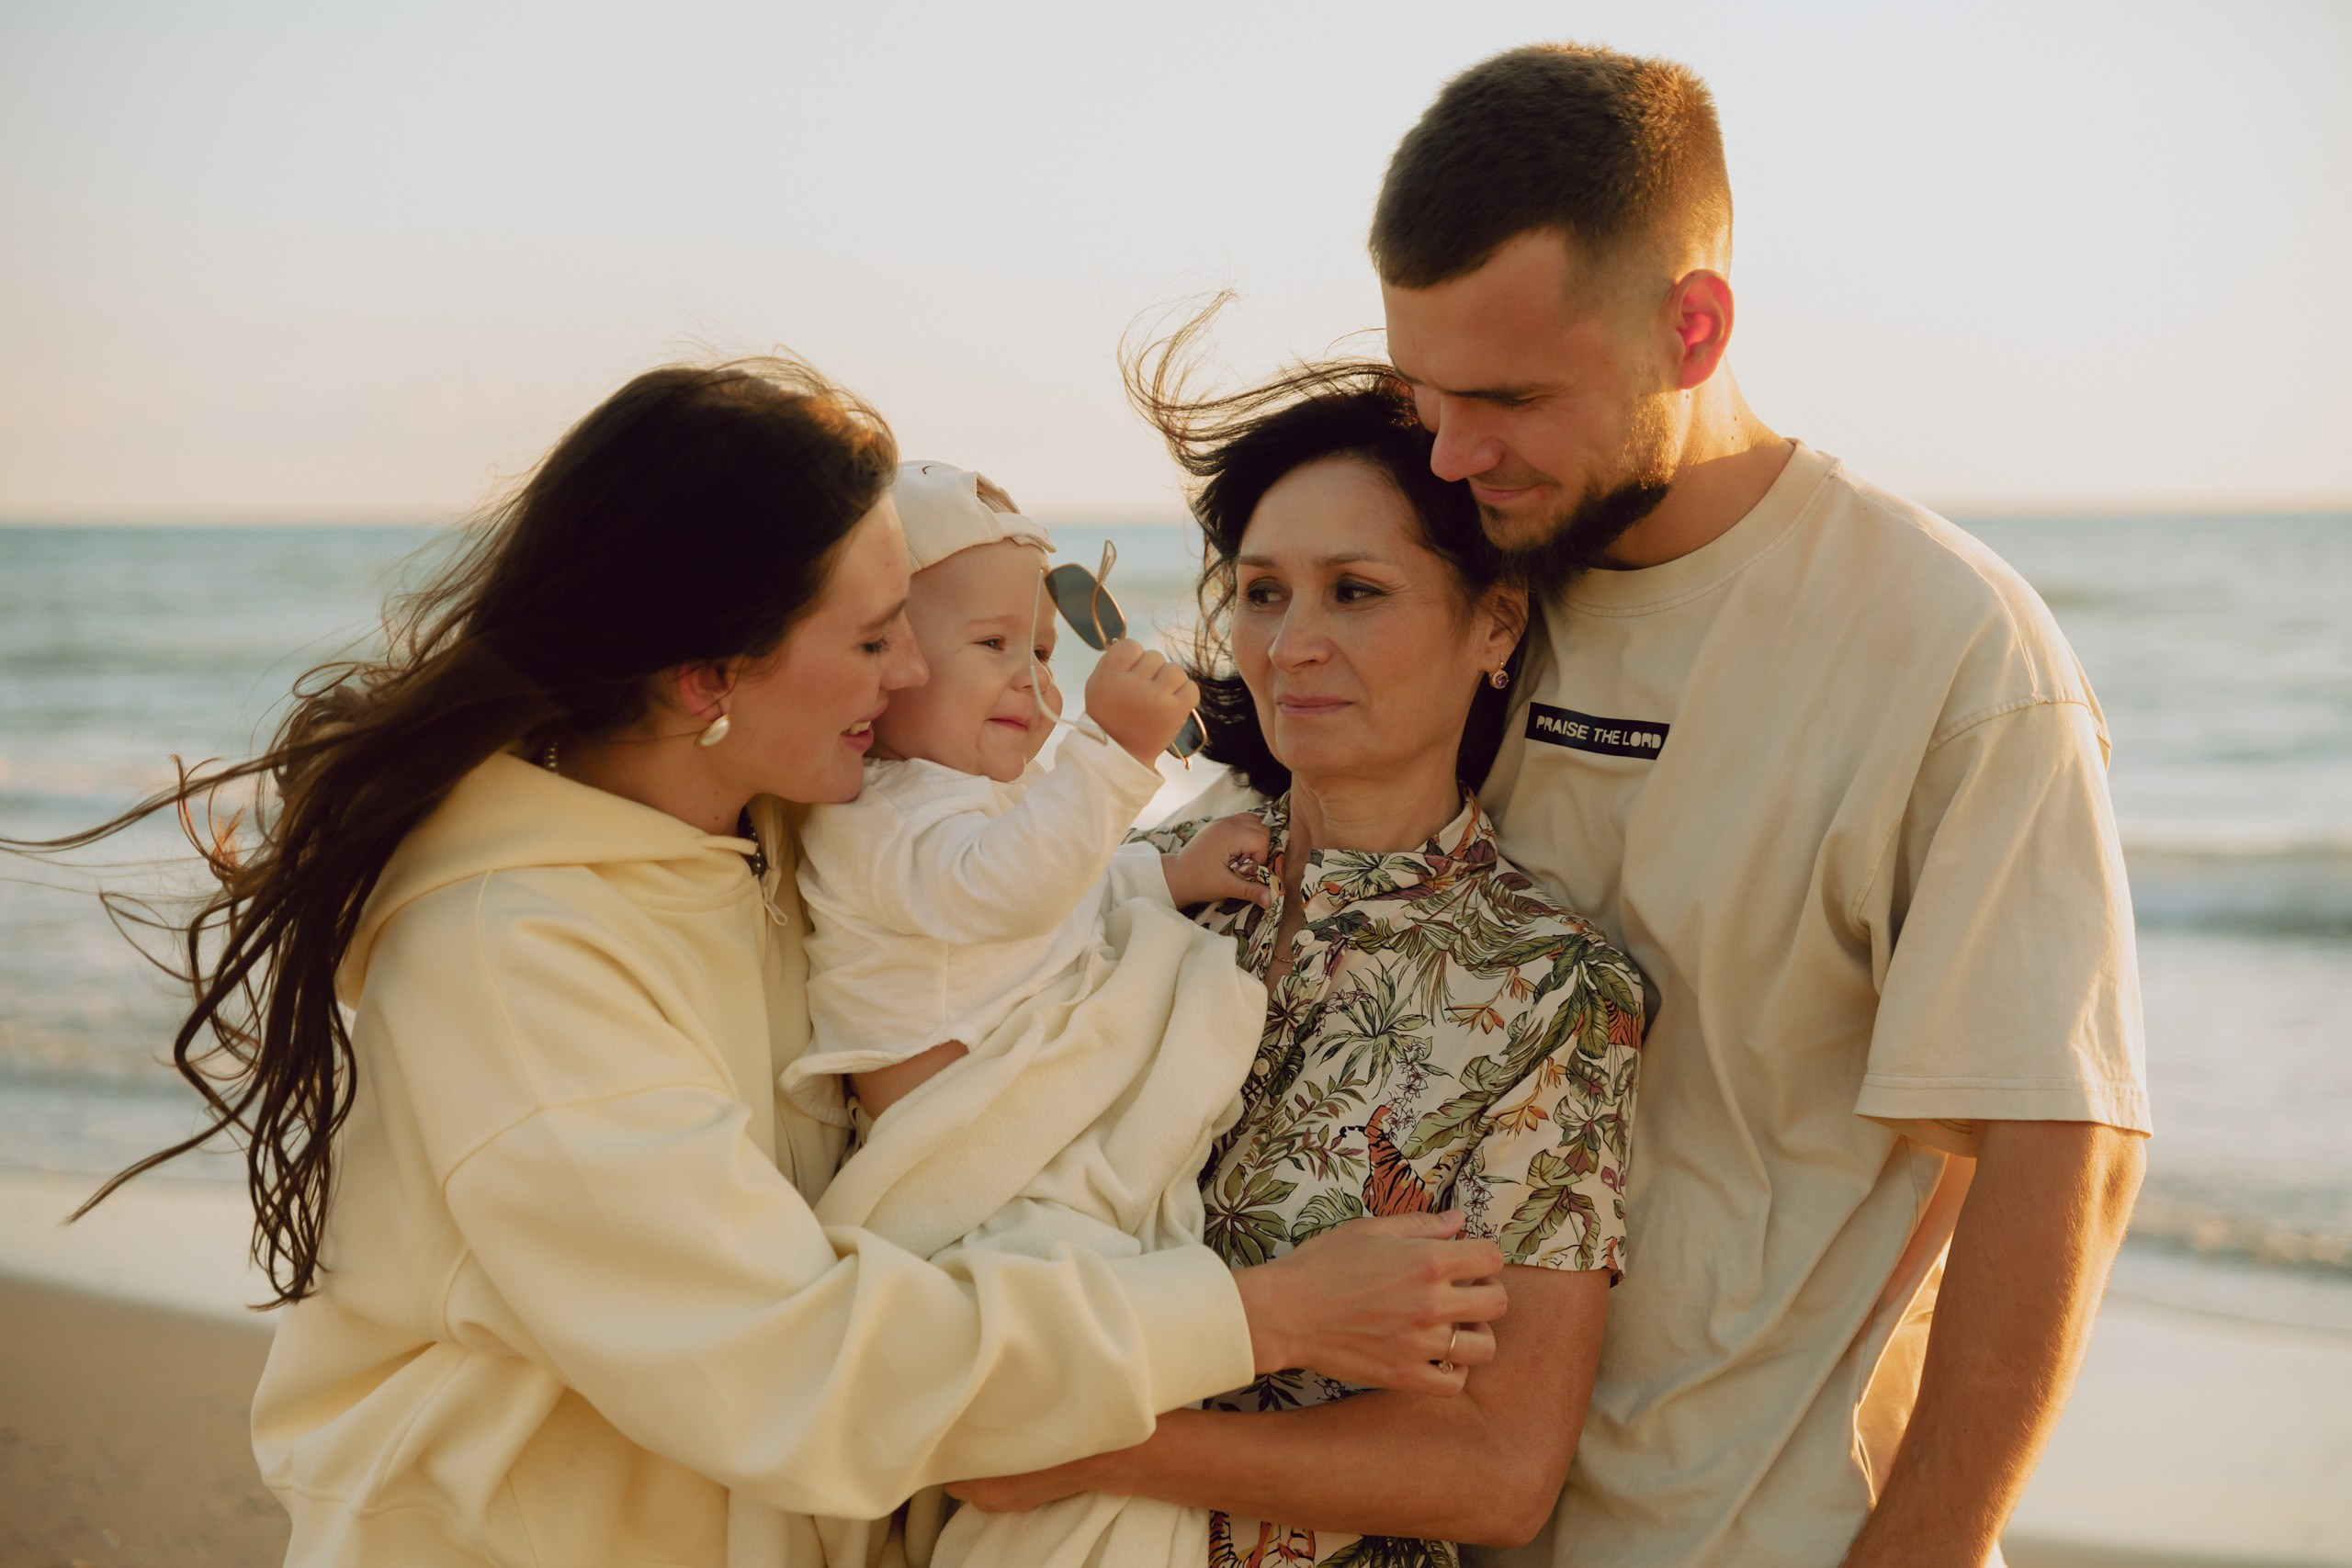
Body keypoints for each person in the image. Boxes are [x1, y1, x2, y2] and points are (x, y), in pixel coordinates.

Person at [9, 359, 1514, 1567]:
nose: (916, 676)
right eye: (872, 645)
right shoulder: (517, 965)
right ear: (704, 676)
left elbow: (989, 923)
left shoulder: (767, 839)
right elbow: (791, 1362)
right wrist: (1261, 1316)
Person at [1367, 43, 2151, 1568]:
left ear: (1695, 324)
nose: (1455, 453)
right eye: (1426, 394)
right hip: (1415, 1518)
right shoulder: (1438, 587)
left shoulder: (1950, 652)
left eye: (1512, 398)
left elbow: (2064, 1158)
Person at [947, 366, 1645, 1568]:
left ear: (1495, 622)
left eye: (1356, 592)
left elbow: (1498, 1467)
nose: (1292, 644)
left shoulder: (1548, 990)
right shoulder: (1128, 883)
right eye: (1262, 593)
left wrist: (1089, 1441)